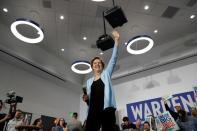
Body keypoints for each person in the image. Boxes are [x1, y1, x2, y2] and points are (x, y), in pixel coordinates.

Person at [82, 30, 120, 131]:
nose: (97, 64)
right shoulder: (89, 81)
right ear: (92, 67)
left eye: (99, 63)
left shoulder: (106, 74)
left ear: (102, 66)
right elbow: (90, 101)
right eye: (95, 63)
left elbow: (113, 59)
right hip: (92, 112)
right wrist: (86, 99)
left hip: (106, 111)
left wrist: (116, 40)